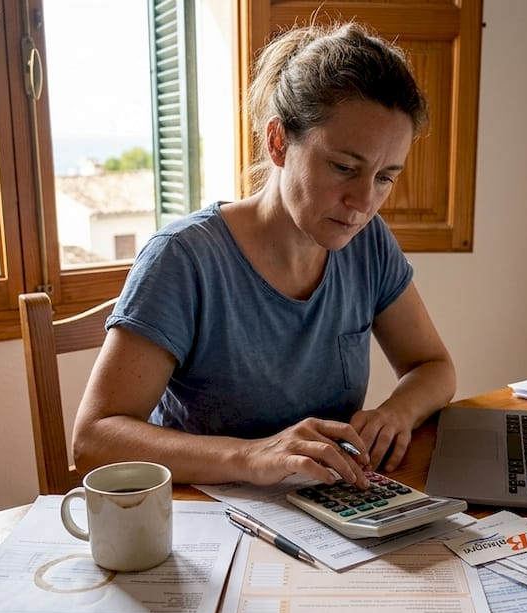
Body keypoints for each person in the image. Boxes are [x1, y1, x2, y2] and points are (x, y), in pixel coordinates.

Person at [72, 21, 456, 489]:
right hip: (206, 519)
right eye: (343, 167)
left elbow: (433, 367)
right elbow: (94, 440)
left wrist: (398, 411)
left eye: (384, 177)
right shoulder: (184, 260)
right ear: (278, 142)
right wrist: (254, 456)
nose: (363, 203)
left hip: (326, 510)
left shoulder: (367, 242)